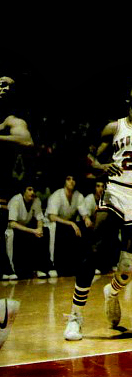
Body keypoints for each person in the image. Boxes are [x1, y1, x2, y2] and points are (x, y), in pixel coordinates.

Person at [63, 82, 132, 341]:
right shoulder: (114, 127)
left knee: (127, 268)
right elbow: (88, 157)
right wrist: (101, 167)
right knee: (93, 249)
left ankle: (112, 292)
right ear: (128, 99)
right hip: (116, 190)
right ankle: (75, 316)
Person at [0, 75, 34, 347]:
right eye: (0, 83)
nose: (3, 88)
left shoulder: (13, 122)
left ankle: (3, 314)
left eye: (8, 85)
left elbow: (27, 141)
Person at [5, 179, 52, 279]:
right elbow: (12, 223)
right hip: (13, 229)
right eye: (29, 190)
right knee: (24, 235)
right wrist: (33, 231)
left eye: (33, 190)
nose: (32, 192)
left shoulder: (36, 200)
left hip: (26, 228)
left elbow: (39, 218)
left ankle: (41, 268)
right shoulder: (16, 201)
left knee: (44, 232)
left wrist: (39, 229)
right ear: (24, 191)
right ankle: (16, 269)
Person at [46, 174, 89, 276]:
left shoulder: (78, 195)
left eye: (73, 179)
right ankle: (54, 266)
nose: (71, 181)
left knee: (84, 228)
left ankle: (81, 265)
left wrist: (87, 218)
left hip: (68, 224)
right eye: (68, 179)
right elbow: (52, 217)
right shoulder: (57, 195)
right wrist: (71, 223)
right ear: (64, 181)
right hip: (53, 224)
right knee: (62, 229)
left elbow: (84, 213)